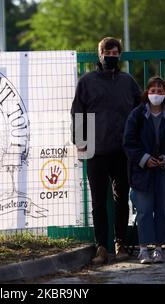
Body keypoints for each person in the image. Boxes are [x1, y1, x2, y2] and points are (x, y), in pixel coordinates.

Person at [71, 37, 141, 265]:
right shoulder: (87, 81)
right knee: (98, 201)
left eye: (115, 52)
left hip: (122, 151)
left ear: (119, 55)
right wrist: (80, 141)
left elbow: (138, 112)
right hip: (95, 150)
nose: (111, 55)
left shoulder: (127, 81)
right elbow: (78, 111)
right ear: (98, 54)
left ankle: (121, 243)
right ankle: (101, 246)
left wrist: (135, 142)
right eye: (107, 51)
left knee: (122, 200)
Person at [123, 77, 165, 264]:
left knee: (161, 210)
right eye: (153, 90)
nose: (156, 94)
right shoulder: (136, 114)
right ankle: (143, 249)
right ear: (146, 93)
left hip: (162, 171)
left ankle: (159, 249)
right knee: (143, 210)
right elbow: (129, 142)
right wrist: (144, 159)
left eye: (160, 91)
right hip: (141, 171)